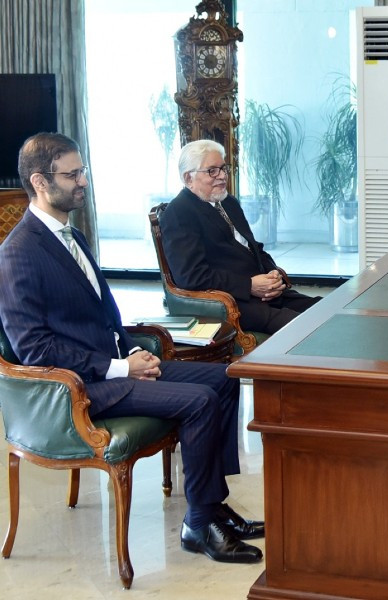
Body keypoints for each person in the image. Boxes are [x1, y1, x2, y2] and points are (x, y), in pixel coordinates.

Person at [0, 132, 265, 564]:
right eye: (73, 174)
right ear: (40, 182)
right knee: (199, 401)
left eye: (83, 171)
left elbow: (96, 314)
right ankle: (199, 524)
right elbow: (35, 349)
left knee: (224, 378)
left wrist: (133, 356)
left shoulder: (71, 236)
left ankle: (213, 505)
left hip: (114, 366)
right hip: (81, 387)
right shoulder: (19, 253)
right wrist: (119, 368)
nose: (83, 181)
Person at [159, 140, 321, 335]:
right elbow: (192, 277)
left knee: (326, 309)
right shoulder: (180, 212)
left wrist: (273, 275)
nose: (222, 176)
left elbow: (254, 249)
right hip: (231, 302)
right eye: (212, 171)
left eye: (223, 168)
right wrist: (250, 286)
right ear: (188, 178)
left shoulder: (228, 202)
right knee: (306, 327)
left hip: (264, 293)